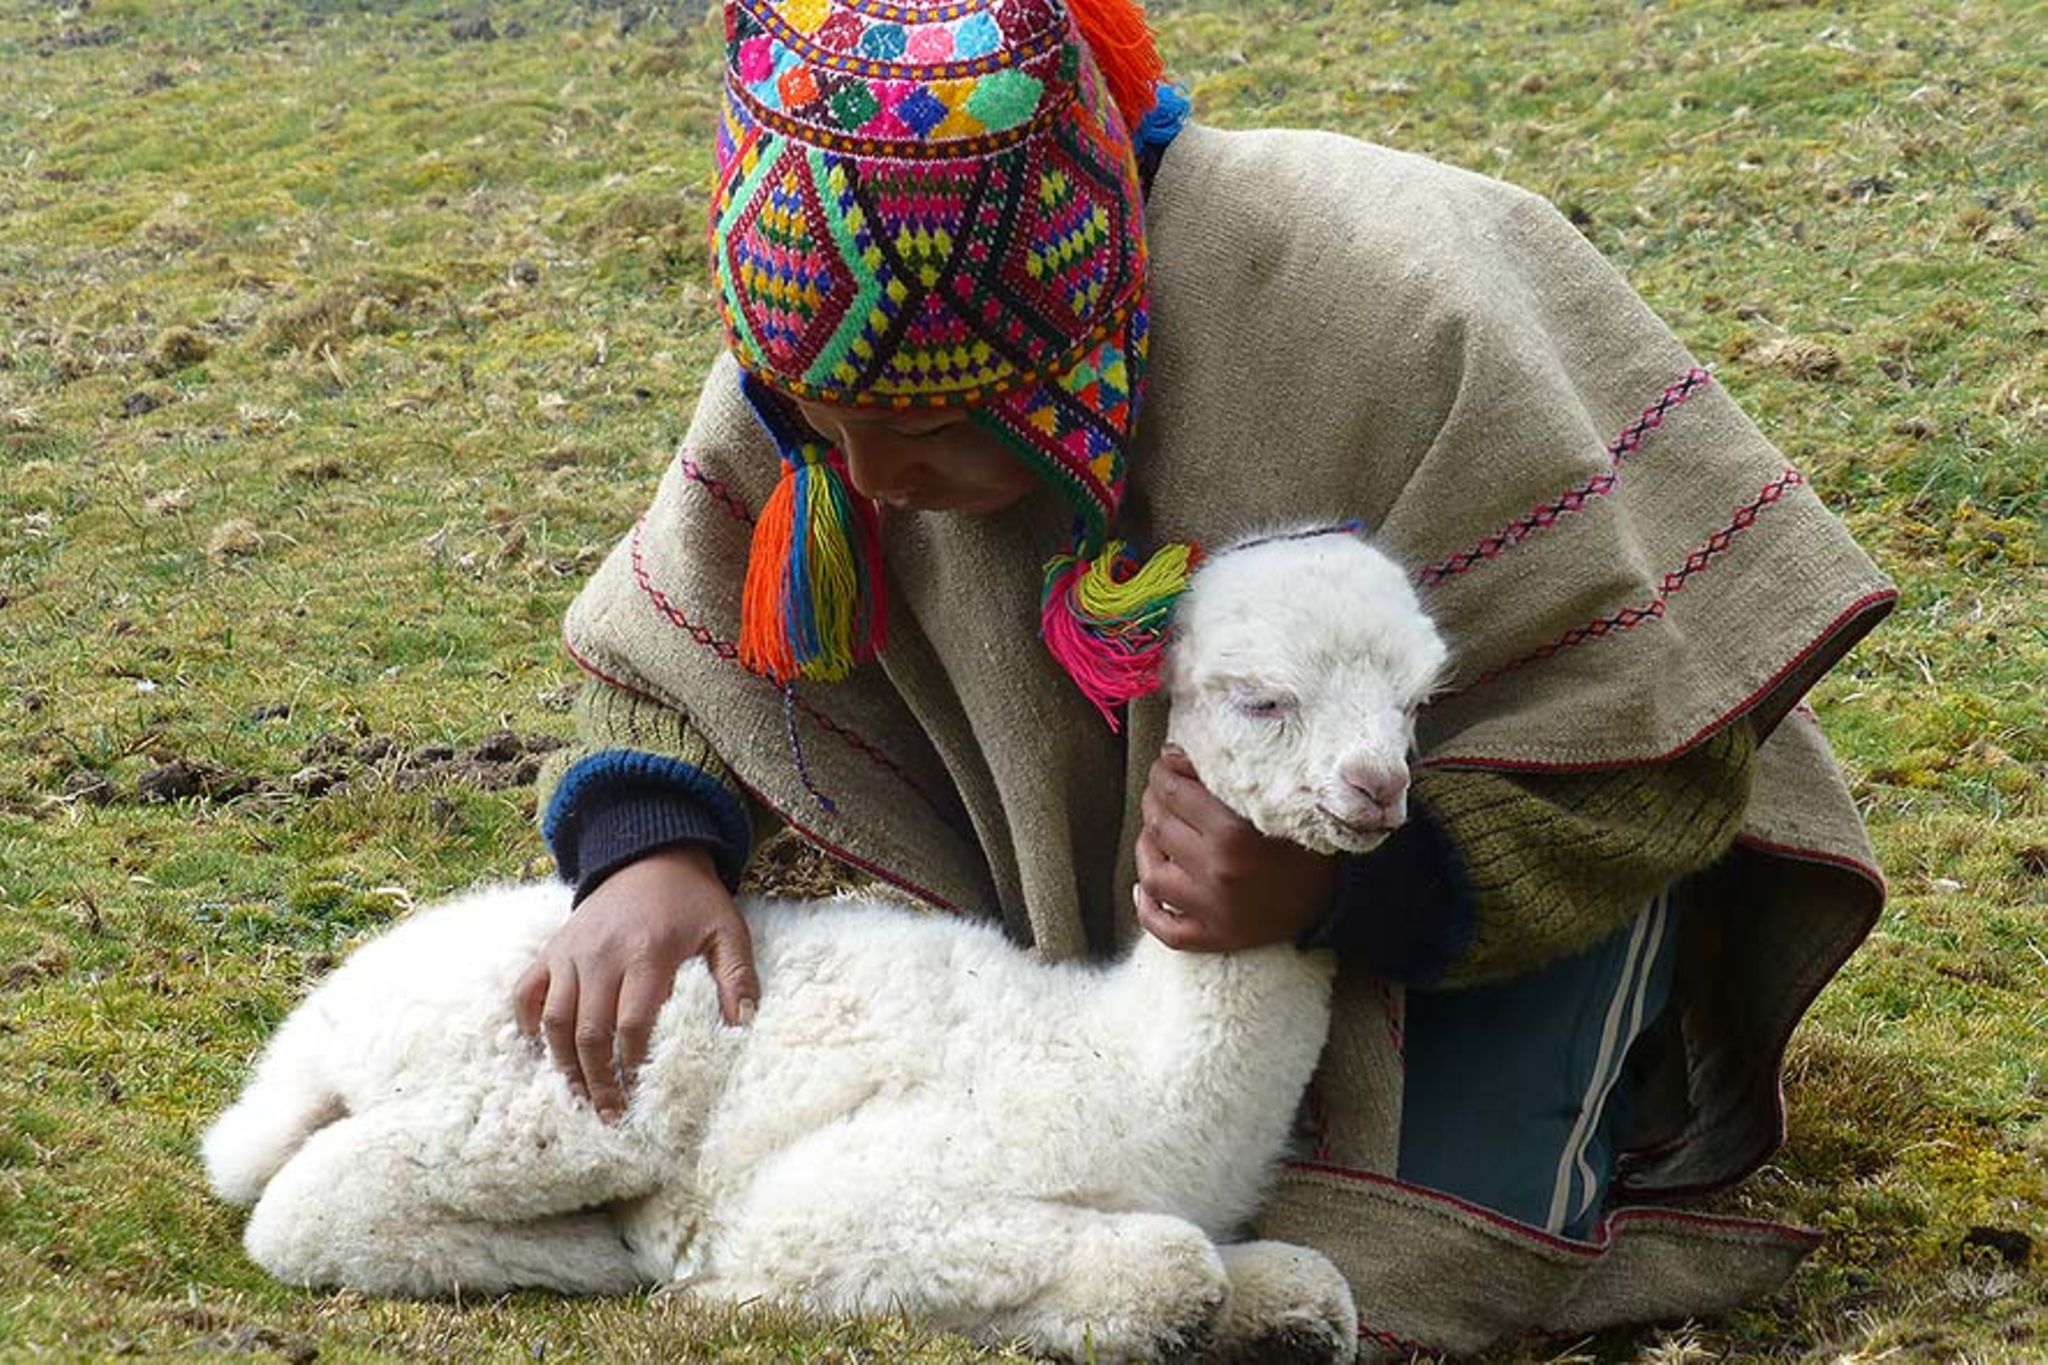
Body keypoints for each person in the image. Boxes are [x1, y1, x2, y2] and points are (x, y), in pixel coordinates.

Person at [513, 0, 1896, 1351]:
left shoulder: (1411, 317)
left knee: (1390, 1251)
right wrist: (648, 847)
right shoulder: (837, 319)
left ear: (1074, 347)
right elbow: (673, 648)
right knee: (1087, 1191)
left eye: (926, 429)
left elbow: (1663, 751)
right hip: (1105, 989)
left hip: (1463, 900)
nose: (873, 484)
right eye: (829, 430)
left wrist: (1341, 879)